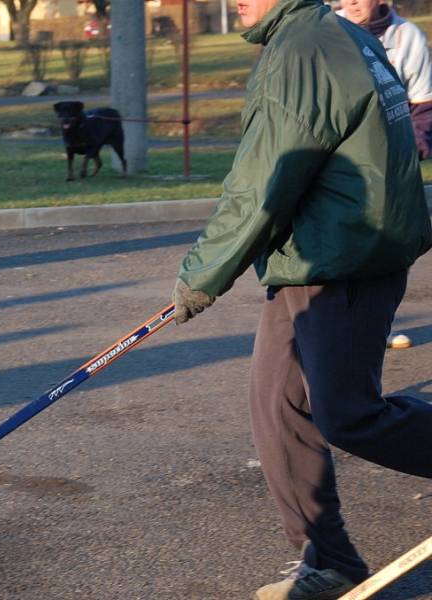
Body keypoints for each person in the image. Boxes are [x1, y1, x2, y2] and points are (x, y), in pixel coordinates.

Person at [170, 0, 432, 597]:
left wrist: (201, 277)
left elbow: (262, 181)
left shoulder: (302, 51)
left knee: (349, 415)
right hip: (313, 256)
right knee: (278, 406)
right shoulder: (324, 33)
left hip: (347, 258)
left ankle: (330, 558)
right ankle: (331, 561)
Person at [338, 0, 432, 159]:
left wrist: (405, 156)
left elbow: (423, 112)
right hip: (339, 157)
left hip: (393, 156)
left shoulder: (409, 37)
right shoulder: (325, 30)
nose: (351, 2)